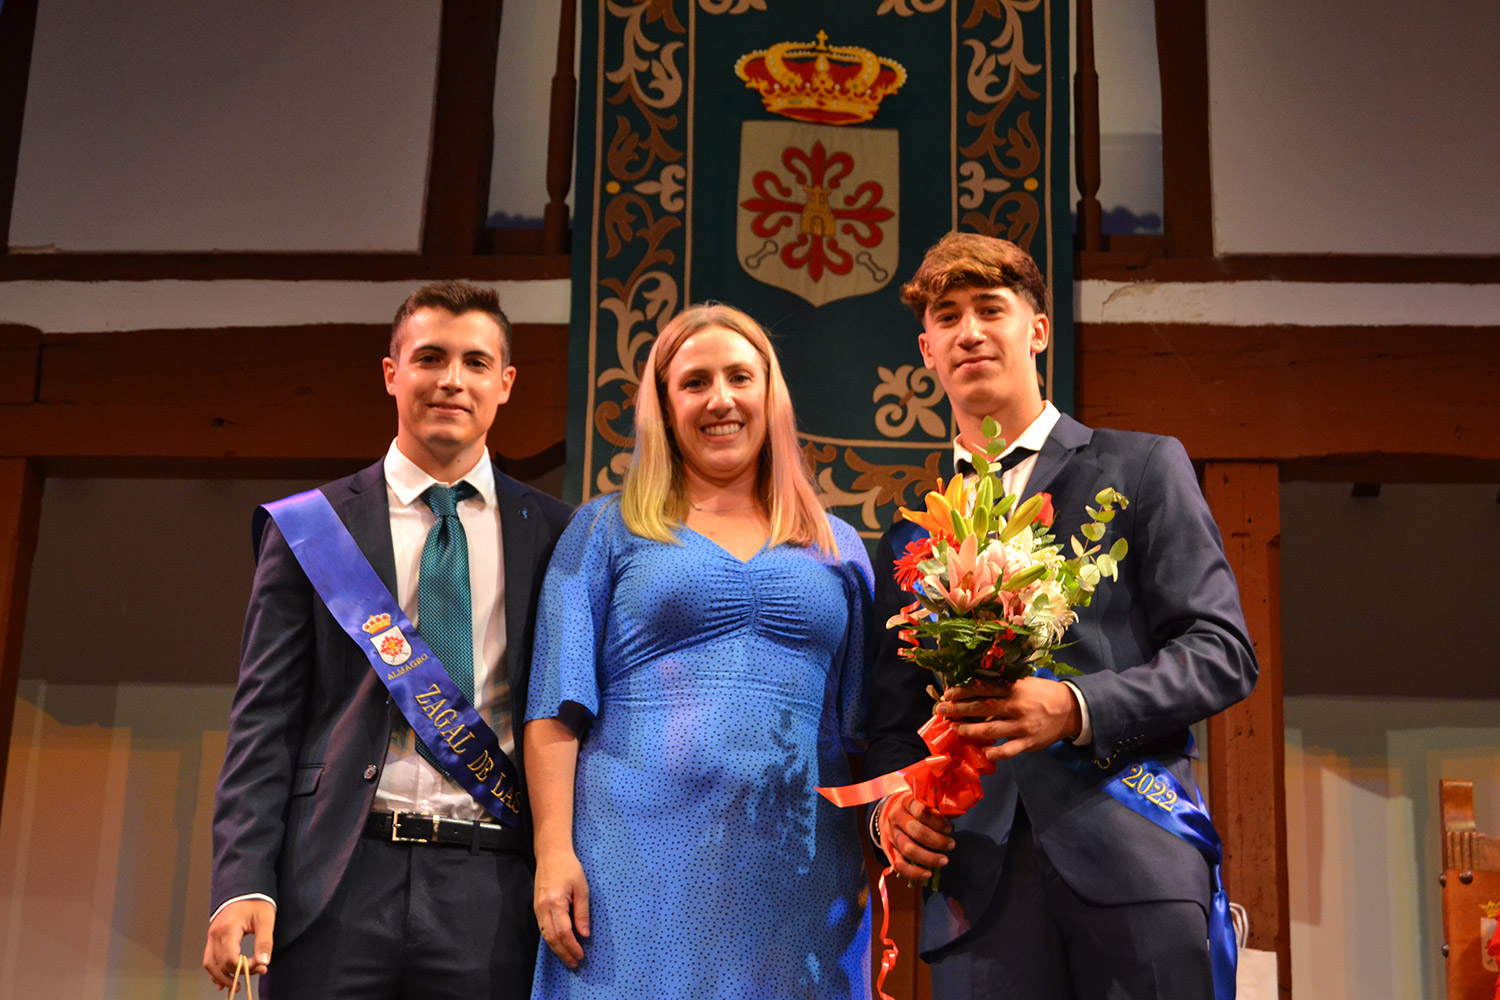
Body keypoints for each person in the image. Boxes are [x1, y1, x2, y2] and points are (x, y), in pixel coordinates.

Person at [866, 232, 1258, 1000]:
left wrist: (1076, 707)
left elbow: (1221, 651)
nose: (970, 332)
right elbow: (892, 722)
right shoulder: (910, 538)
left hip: (1134, 859)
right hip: (976, 893)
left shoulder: (1141, 467)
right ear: (927, 350)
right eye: (948, 317)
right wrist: (891, 811)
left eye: (991, 309)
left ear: (1038, 330)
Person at [203, 281, 572, 998]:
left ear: (505, 383)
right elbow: (263, 719)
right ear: (391, 372)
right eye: (430, 358)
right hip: (335, 878)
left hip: (493, 884)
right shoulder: (312, 527)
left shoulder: (560, 534)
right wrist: (242, 878)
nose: (451, 380)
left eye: (474, 362)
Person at [524, 303, 874, 999]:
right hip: (632, 862)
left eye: (740, 377)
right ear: (663, 405)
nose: (720, 399)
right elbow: (555, 707)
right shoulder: (605, 529)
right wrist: (553, 850)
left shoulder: (838, 545)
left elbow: (868, 725)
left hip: (799, 867)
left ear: (771, 396)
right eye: (695, 382)